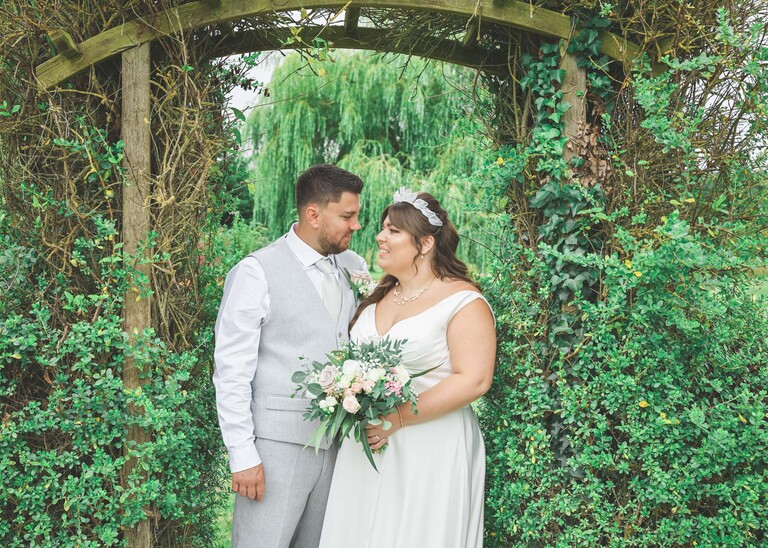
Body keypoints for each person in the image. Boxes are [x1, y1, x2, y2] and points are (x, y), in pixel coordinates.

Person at [319, 188, 496, 548]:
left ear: (426, 243)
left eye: (393, 231)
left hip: (430, 445)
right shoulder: (376, 299)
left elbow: (475, 380)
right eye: (383, 228)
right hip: (366, 446)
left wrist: (396, 419)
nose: (380, 237)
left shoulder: (463, 301)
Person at [213, 164, 368, 548]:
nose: (357, 226)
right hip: (274, 450)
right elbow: (231, 372)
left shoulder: (356, 267)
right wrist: (242, 454)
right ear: (313, 215)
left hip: (339, 449)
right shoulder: (256, 272)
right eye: (348, 216)